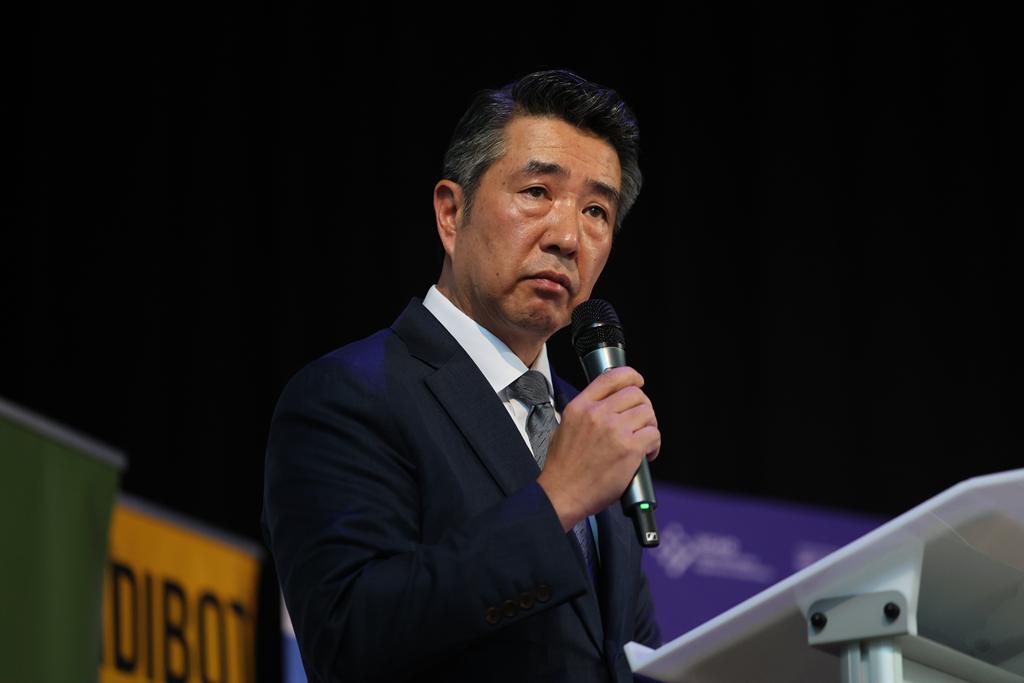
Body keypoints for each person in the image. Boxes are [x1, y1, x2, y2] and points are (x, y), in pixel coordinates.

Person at [263, 69, 662, 682]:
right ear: (451, 213)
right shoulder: (347, 395)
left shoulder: (585, 425)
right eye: (536, 191)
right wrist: (555, 501)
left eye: (595, 211)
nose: (566, 237)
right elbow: (348, 638)